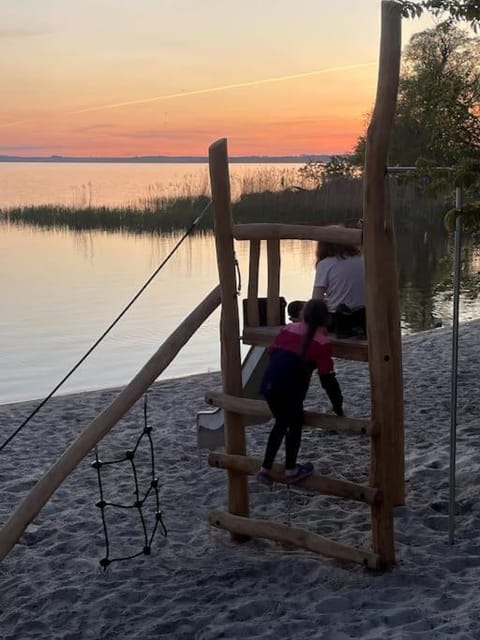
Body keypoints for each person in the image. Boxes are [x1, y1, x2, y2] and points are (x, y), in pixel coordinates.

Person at [257, 299, 337, 484]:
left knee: (281, 424)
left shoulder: (287, 329)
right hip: (290, 390)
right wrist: (337, 406)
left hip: (269, 384)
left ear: (303, 314)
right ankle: (291, 469)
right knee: (295, 425)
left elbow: (271, 351)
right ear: (326, 318)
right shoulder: (322, 342)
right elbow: (327, 379)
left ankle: (265, 468)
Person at [286, 299, 343, 417]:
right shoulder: (322, 341)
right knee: (329, 382)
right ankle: (338, 410)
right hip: (307, 362)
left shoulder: (289, 329)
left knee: (299, 387)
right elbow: (325, 371)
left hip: (288, 368)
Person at [312, 241, 365, 336]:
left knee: (303, 308)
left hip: (338, 321)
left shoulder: (325, 264)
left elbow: (316, 300)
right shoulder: (363, 260)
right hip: (363, 318)